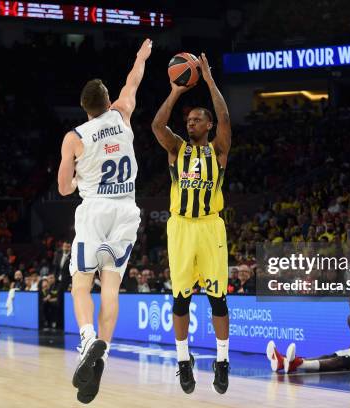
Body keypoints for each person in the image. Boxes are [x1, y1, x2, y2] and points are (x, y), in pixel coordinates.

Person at [57, 38, 152, 404]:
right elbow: (134, 80)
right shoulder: (123, 113)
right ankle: (103, 355)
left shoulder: (75, 137)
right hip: (127, 209)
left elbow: (64, 189)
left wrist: (79, 174)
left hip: (95, 209)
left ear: (84, 107)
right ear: (108, 100)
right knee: (110, 287)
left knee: (81, 285)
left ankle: (86, 341)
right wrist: (141, 55)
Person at [151, 53, 232, 394]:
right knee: (180, 299)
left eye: (198, 120)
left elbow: (226, 115)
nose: (191, 123)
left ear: (210, 125)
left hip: (210, 227)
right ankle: (183, 361)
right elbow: (157, 126)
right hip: (181, 227)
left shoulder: (219, 150)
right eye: (189, 120)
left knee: (218, 300)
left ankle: (222, 361)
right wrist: (176, 92)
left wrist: (210, 81)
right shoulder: (177, 149)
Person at [266, 293, 350, 373]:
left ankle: (294, 363)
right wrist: (347, 351)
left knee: (338, 361)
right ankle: (284, 361)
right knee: (329, 356)